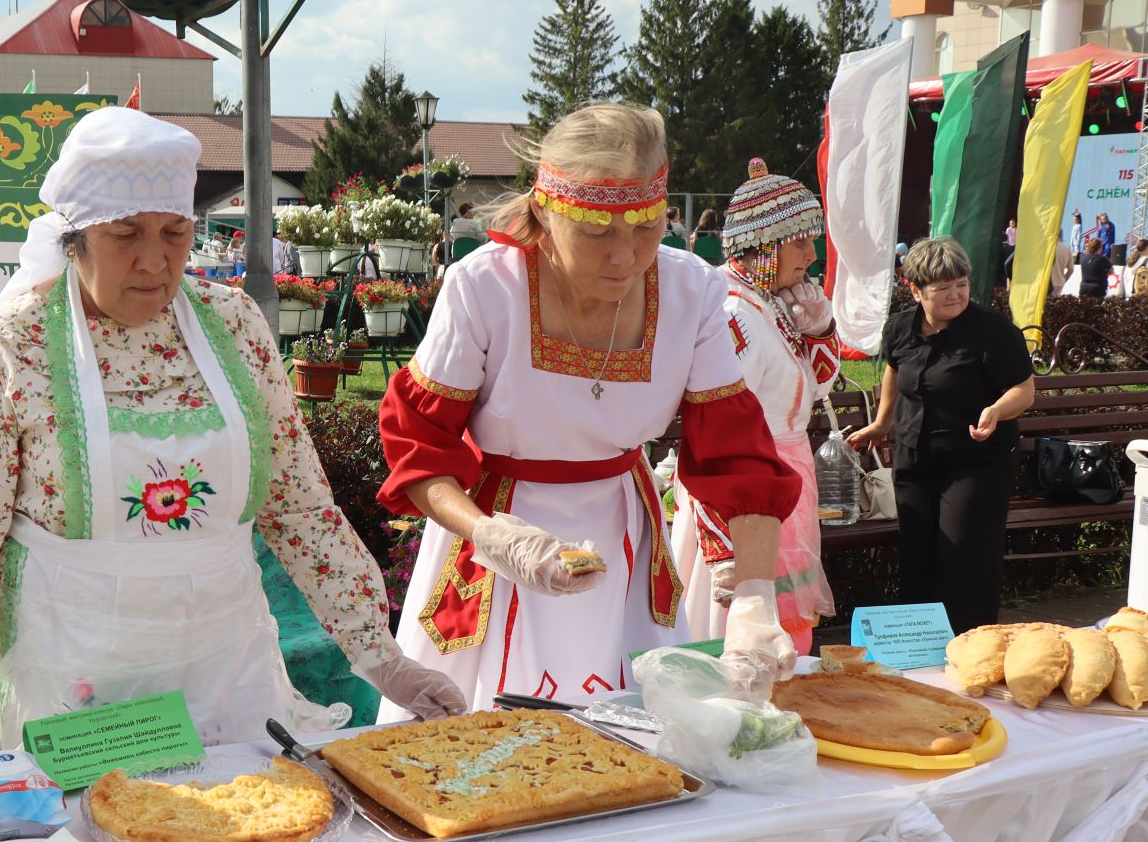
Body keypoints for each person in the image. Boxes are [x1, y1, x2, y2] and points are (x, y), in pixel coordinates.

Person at [0, 107, 465, 786]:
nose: (154, 261)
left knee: (244, 837)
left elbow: (301, 510)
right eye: (125, 235)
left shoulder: (234, 324)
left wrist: (383, 657)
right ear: (73, 240)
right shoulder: (2, 349)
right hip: (76, 685)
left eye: (174, 234)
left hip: (225, 671)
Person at [377, 104, 800, 711]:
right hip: (499, 534)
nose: (625, 258)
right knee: (468, 756)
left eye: (648, 227)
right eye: (598, 233)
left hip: (621, 532)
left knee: (633, 745)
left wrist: (757, 594)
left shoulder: (693, 292)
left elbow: (739, 456)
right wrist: (488, 534)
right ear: (546, 213)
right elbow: (418, 442)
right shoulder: (484, 287)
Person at [671, 160, 836, 654]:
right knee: (743, 617)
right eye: (800, 240)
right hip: (745, 489)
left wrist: (819, 329)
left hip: (784, 477)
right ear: (763, 244)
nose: (811, 252)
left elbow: (819, 387)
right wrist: (724, 544)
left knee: (784, 615)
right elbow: (714, 434)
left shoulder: (770, 300)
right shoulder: (733, 312)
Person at [847, 238, 1033, 634]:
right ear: (915, 290)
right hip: (916, 457)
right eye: (942, 288)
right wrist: (882, 423)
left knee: (963, 556)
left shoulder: (993, 330)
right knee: (917, 556)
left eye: (962, 284)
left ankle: (971, 644)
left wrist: (997, 410)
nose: (956, 294)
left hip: (977, 460)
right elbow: (895, 372)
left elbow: (1024, 389)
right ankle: (920, 650)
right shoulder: (900, 327)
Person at [1077, 233, 1112, 299]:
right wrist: (1105, 273)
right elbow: (1111, 270)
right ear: (1099, 248)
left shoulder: (1083, 258)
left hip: (1084, 289)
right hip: (1098, 290)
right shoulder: (1103, 259)